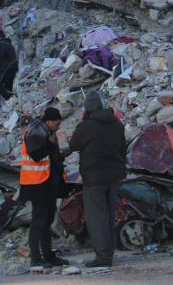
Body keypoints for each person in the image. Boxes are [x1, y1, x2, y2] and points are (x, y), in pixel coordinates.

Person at [68, 91, 127, 269]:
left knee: (96, 218)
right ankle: (108, 253)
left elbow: (73, 145)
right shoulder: (116, 123)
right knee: (109, 215)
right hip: (115, 176)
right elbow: (123, 148)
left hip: (94, 178)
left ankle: (103, 257)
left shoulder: (87, 126)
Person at [21, 107, 69, 269]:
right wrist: (51, 145)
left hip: (47, 183)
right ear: (48, 121)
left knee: (47, 220)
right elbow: (36, 155)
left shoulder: (47, 133)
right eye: (56, 123)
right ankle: (36, 258)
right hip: (37, 184)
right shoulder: (35, 133)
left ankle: (48, 256)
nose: (58, 126)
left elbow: (51, 156)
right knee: (38, 221)